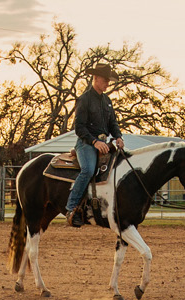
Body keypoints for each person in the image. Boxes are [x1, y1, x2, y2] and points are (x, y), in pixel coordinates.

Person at [65, 63, 124, 227]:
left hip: (103, 144)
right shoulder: (84, 99)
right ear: (95, 78)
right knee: (88, 170)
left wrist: (118, 137)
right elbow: (79, 128)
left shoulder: (107, 101)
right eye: (105, 80)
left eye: (108, 81)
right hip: (86, 144)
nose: (107, 84)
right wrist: (95, 142)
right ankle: (71, 208)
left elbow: (113, 123)